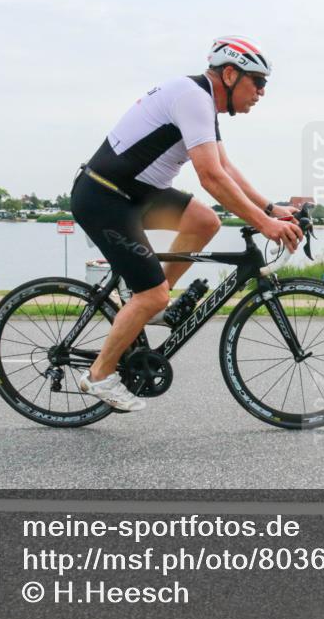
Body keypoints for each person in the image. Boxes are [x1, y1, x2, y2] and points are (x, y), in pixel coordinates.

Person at [71, 35, 303, 412]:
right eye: (257, 82)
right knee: (154, 293)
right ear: (230, 74)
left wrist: (270, 208)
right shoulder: (193, 97)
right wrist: (263, 224)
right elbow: (210, 177)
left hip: (137, 194)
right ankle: (100, 375)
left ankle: (148, 301)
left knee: (204, 220)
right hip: (105, 197)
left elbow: (225, 167)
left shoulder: (201, 101)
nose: (261, 92)